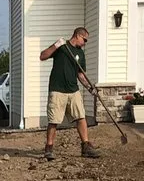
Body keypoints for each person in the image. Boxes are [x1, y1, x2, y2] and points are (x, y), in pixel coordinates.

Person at [39, 27, 101, 160]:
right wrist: (56, 45)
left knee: (81, 117)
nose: (85, 43)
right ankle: (49, 148)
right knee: (54, 120)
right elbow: (42, 56)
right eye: (84, 40)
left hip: (73, 90)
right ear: (78, 35)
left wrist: (90, 88)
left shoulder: (80, 54)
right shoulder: (62, 47)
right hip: (57, 90)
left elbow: (80, 74)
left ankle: (86, 147)